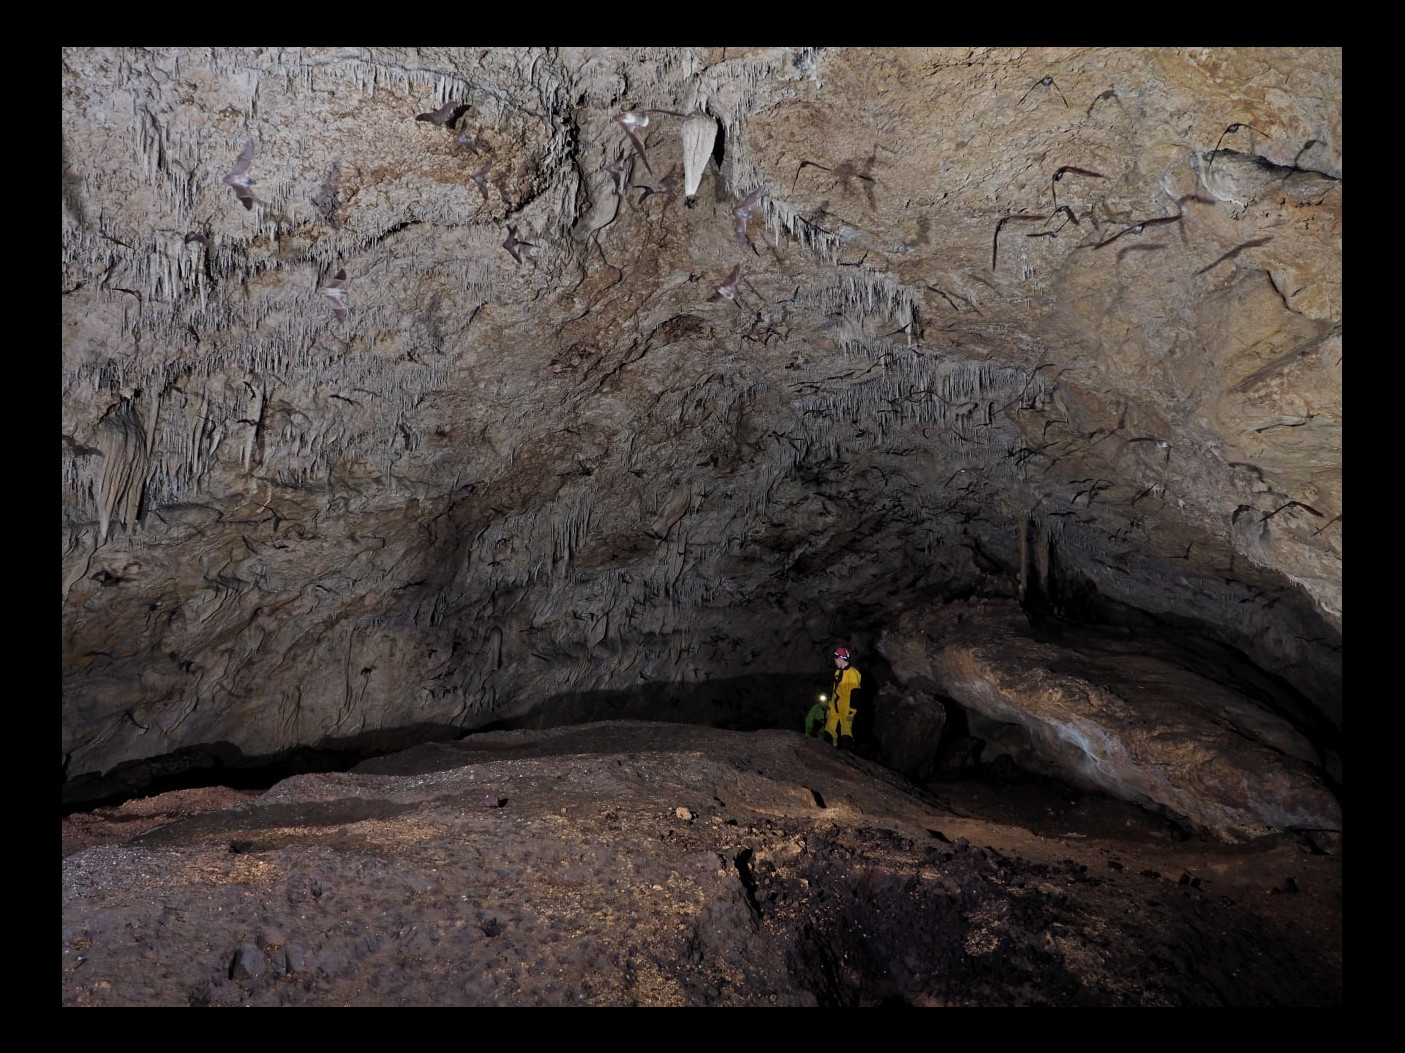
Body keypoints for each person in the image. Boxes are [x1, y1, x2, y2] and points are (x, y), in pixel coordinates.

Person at [823, 646, 861, 749]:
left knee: (846, 731)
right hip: (836, 703)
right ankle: (830, 750)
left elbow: (855, 693)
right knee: (829, 728)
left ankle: (847, 755)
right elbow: (835, 690)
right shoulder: (838, 671)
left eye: (835, 659)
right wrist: (830, 706)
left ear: (840, 658)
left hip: (847, 705)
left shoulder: (853, 673)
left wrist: (852, 711)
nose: (834, 661)